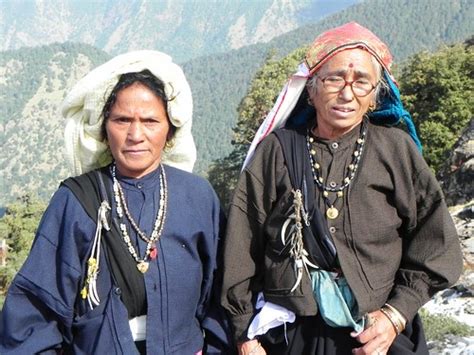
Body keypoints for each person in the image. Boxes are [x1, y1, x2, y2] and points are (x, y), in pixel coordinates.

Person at [221, 22, 463, 355]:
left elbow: (436, 243)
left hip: (376, 336)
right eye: (334, 78)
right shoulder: (276, 152)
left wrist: (395, 315)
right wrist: (245, 334)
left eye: (361, 82)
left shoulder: (395, 150)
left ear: (376, 94)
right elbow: (242, 245)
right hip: (293, 337)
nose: (347, 93)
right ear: (311, 89)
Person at [0, 51, 231, 354]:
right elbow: (36, 308)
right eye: (122, 120)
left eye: (150, 121)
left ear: (169, 130)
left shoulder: (197, 198)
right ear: (104, 128)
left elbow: (223, 297)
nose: (136, 134)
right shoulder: (76, 201)